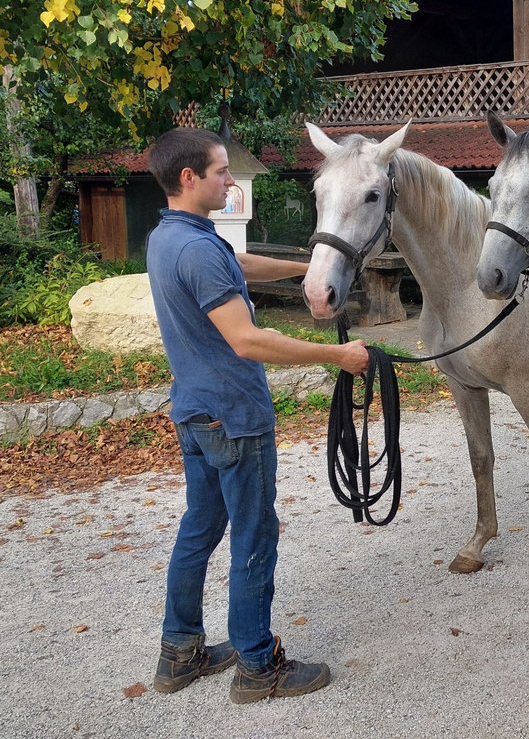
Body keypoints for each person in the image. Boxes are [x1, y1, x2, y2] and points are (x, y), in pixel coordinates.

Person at [145, 126, 371, 704]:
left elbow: (236, 265)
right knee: (253, 533)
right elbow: (247, 341)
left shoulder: (173, 237)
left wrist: (305, 269)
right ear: (189, 178)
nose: (230, 180)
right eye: (222, 171)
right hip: (234, 418)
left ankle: (180, 653)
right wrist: (336, 354)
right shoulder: (197, 248)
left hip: (194, 412)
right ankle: (256, 664)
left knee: (199, 530)